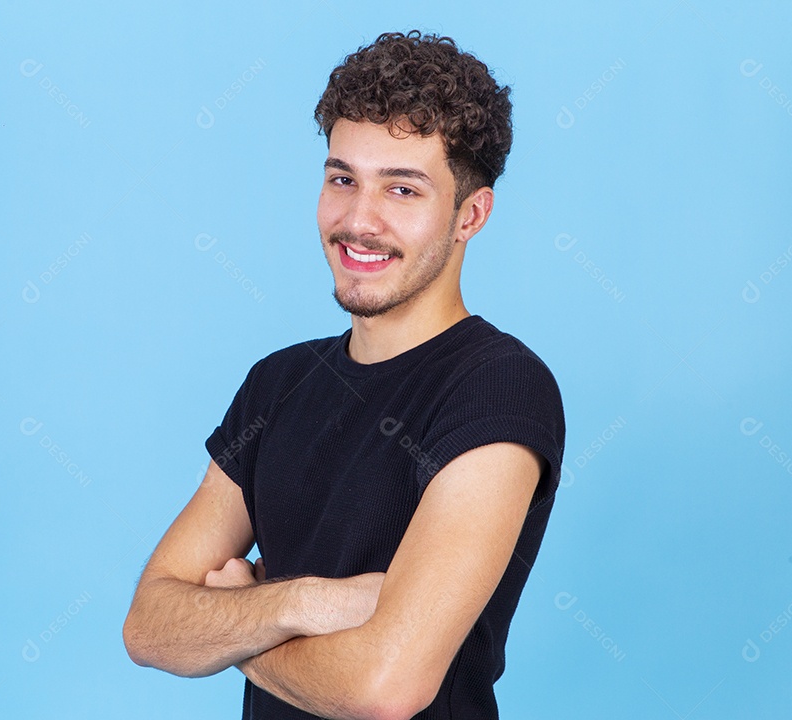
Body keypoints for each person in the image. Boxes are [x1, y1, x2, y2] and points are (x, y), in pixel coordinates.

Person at [122, 29, 566, 719]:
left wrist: (232, 620)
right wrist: (305, 601)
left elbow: (385, 688)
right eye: (342, 179)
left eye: (402, 189)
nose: (360, 220)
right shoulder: (277, 384)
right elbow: (148, 625)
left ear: (469, 215)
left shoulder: (498, 388)